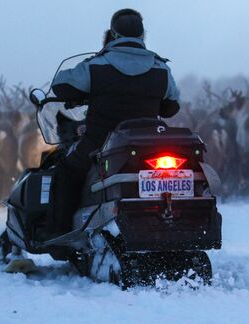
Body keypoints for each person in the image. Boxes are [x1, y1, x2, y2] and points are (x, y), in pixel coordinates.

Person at [39, 8, 180, 240]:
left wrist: (88, 90)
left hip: (99, 143)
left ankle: (58, 236)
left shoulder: (96, 66)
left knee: (65, 171)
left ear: (114, 34)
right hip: (148, 145)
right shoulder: (161, 68)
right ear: (142, 34)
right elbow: (172, 106)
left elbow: (60, 84)